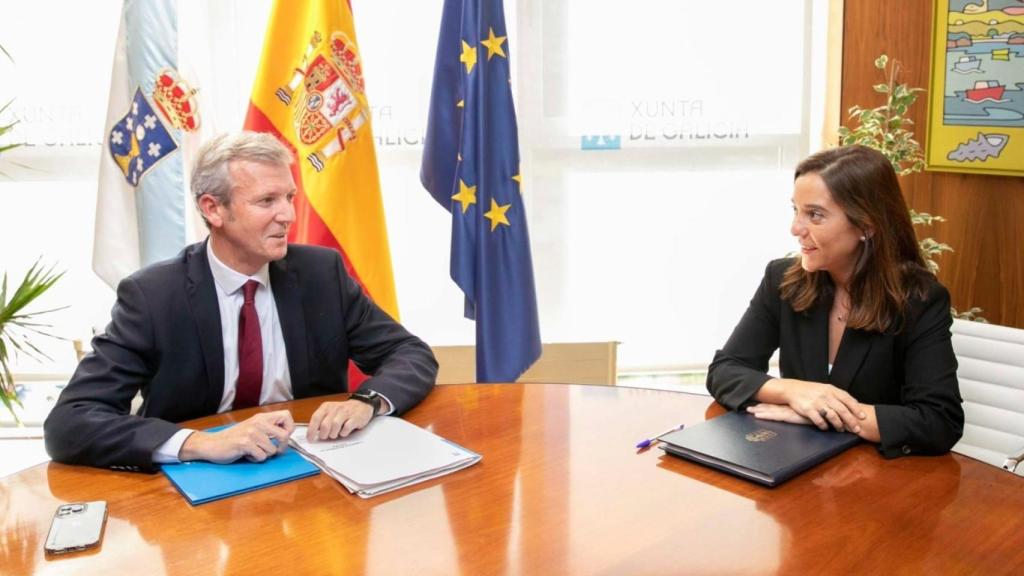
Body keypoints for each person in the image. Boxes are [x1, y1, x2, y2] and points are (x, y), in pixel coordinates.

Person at [45, 132, 438, 472]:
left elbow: (409, 353)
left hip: (311, 472)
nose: (287, 214)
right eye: (267, 201)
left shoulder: (321, 274)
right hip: (197, 490)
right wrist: (201, 443)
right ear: (213, 209)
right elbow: (70, 422)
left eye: (289, 197)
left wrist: (366, 402)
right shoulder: (153, 296)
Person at [706, 145, 963, 457]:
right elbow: (725, 370)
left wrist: (824, 414)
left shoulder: (919, 299)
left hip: (874, 480)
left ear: (866, 225)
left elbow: (939, 421)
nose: (795, 229)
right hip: (795, 465)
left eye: (815, 215)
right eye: (795, 210)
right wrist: (794, 391)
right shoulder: (782, 280)